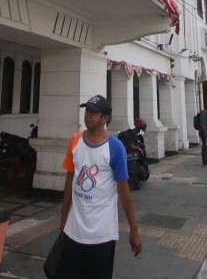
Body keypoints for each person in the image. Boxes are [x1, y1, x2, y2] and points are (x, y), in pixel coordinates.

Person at [58, 95, 142, 278]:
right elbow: (70, 178)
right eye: (86, 111)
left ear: (105, 118)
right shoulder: (75, 141)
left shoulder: (115, 147)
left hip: (102, 235)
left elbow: (124, 190)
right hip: (74, 231)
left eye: (93, 113)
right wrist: (64, 215)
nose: (88, 115)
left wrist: (134, 231)